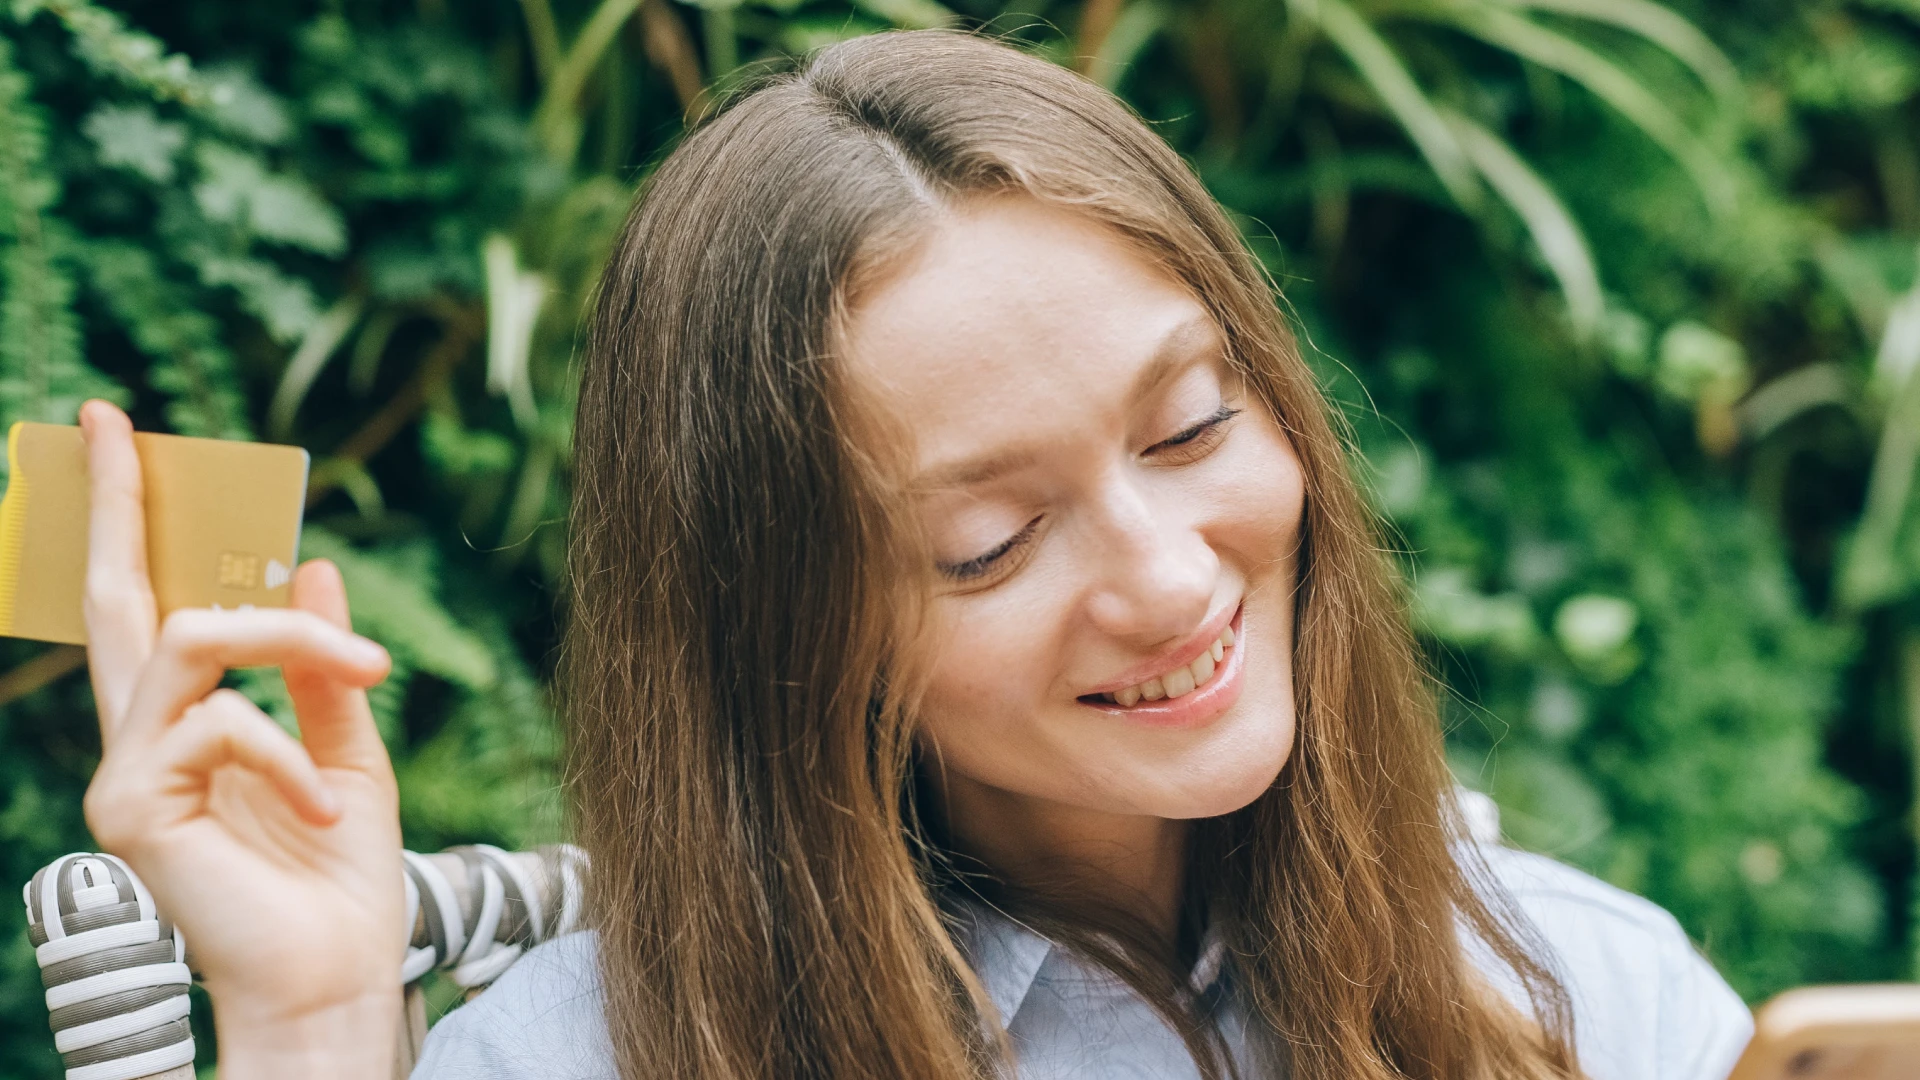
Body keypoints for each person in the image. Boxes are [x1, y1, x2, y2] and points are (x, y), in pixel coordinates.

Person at [75, 29, 1752, 1080]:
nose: (1170, 580)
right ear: (789, 635)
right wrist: (307, 1031)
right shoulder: (590, 1059)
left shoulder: (1579, 989)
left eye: (1187, 430)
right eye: (990, 542)